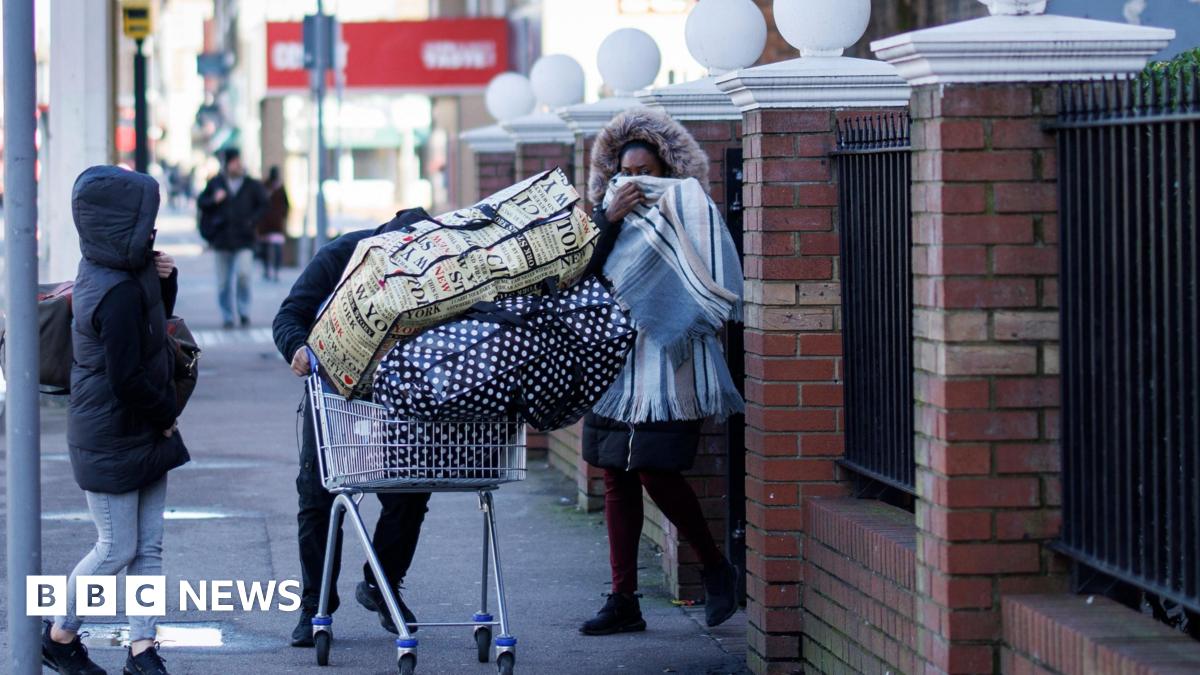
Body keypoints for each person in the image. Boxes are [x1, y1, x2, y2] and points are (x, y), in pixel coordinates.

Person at [578, 108, 742, 636]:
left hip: (670, 354)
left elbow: (710, 274)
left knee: (655, 469)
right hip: (617, 354)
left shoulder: (691, 207)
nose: (635, 183)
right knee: (615, 475)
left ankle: (716, 566)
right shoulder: (601, 216)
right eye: (626, 174)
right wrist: (610, 219)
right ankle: (623, 599)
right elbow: (581, 272)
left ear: (669, 174)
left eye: (647, 172)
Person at [42, 166, 190, 675]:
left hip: (137, 426)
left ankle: (141, 650)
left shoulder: (123, 269)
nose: (152, 228)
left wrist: (165, 282)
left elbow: (155, 335)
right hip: (112, 432)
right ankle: (59, 634)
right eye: (143, 218)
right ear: (120, 223)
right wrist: (167, 415)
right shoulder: (115, 288)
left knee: (148, 545)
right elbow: (127, 376)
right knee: (117, 545)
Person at [272, 207, 435, 648]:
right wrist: (298, 348)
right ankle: (315, 606)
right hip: (334, 396)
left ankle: (382, 585)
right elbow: (289, 315)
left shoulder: (436, 268)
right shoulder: (339, 256)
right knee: (319, 496)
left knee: (411, 490)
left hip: (399, 398)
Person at [197, 148, 268, 329]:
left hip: (245, 239)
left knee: (243, 275)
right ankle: (228, 316)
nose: (238, 165)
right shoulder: (216, 182)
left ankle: (244, 312)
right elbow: (201, 203)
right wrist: (215, 199)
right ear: (227, 164)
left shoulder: (251, 184)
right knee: (223, 283)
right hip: (222, 240)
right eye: (234, 161)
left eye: (239, 161)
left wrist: (252, 220)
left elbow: (264, 203)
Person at [258, 166, 289, 282]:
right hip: (266, 224)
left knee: (277, 249)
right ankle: (267, 269)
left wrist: (283, 215)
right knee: (265, 249)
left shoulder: (280, 187)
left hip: (276, 224)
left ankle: (275, 271)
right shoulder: (265, 186)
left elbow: (286, 204)